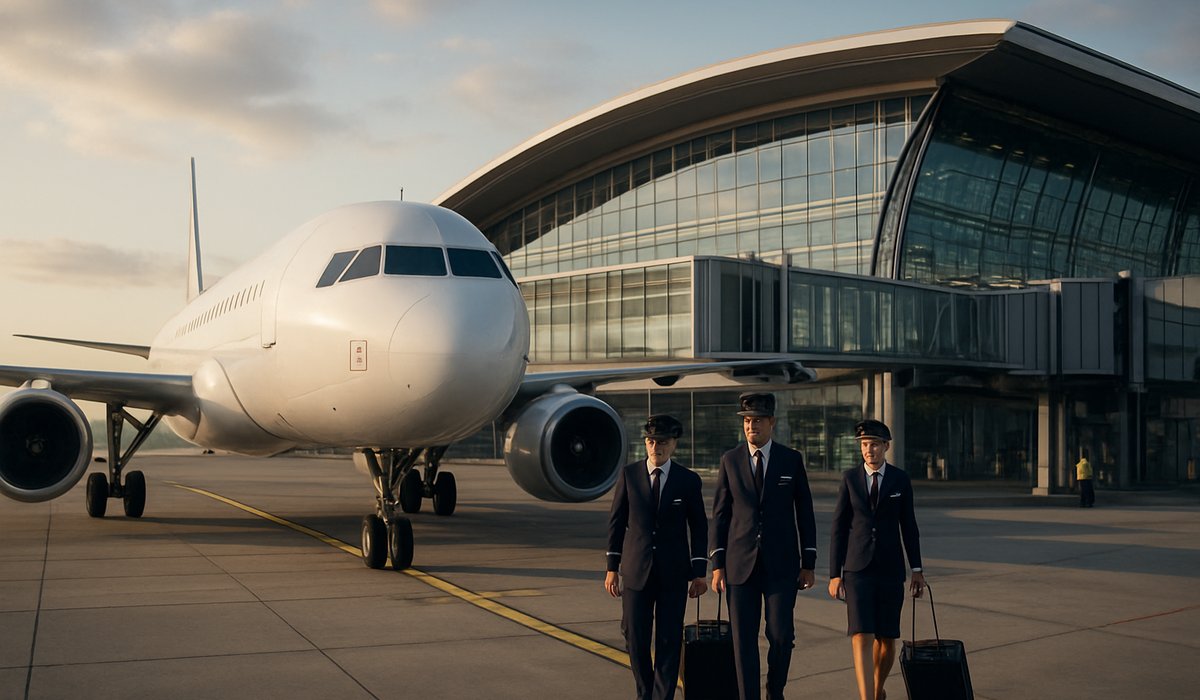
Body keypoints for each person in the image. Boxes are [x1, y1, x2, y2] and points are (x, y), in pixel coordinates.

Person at [709, 392, 817, 700]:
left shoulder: (790, 459)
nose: (750, 426)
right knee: (743, 640)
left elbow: (805, 512)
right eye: (746, 421)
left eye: (757, 420)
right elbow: (720, 515)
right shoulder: (730, 460)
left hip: (782, 566)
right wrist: (717, 565)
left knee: (781, 635)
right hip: (739, 565)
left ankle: (775, 691)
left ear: (772, 422)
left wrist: (808, 562)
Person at [606, 414, 709, 700]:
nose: (655, 447)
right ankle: (645, 692)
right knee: (634, 635)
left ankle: (662, 696)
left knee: (668, 638)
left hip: (673, 572)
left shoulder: (688, 481)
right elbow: (616, 523)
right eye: (651, 441)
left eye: (662, 442)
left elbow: (699, 526)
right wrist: (611, 567)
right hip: (636, 570)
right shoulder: (629, 475)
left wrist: (699, 572)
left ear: (674, 444)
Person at [828, 419, 925, 700]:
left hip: (890, 569)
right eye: (864, 445)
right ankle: (867, 697)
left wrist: (916, 569)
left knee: (886, 638)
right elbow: (838, 527)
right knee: (861, 634)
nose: (868, 450)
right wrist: (835, 574)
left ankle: (877, 687)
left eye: (873, 444)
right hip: (857, 569)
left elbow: (909, 526)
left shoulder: (900, 479)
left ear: (886, 447)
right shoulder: (849, 479)